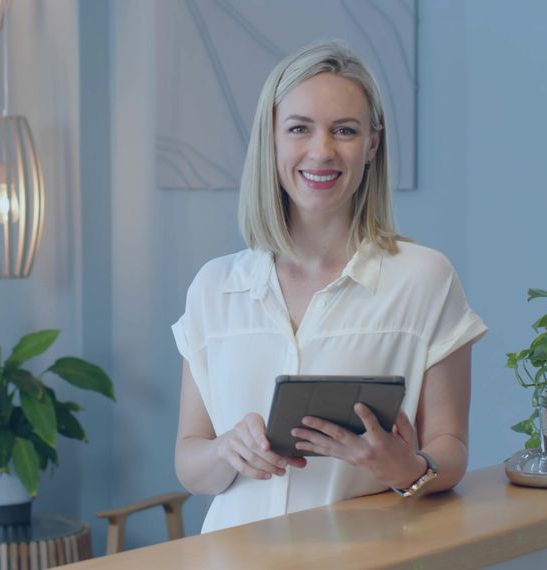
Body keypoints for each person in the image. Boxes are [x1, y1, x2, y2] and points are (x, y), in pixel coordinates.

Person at [171, 40, 488, 534]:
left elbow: (451, 447)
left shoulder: (425, 277)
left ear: (372, 146)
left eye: (345, 131)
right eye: (299, 128)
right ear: (271, 140)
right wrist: (225, 451)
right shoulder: (214, 288)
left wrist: (403, 467)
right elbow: (190, 464)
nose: (322, 150)